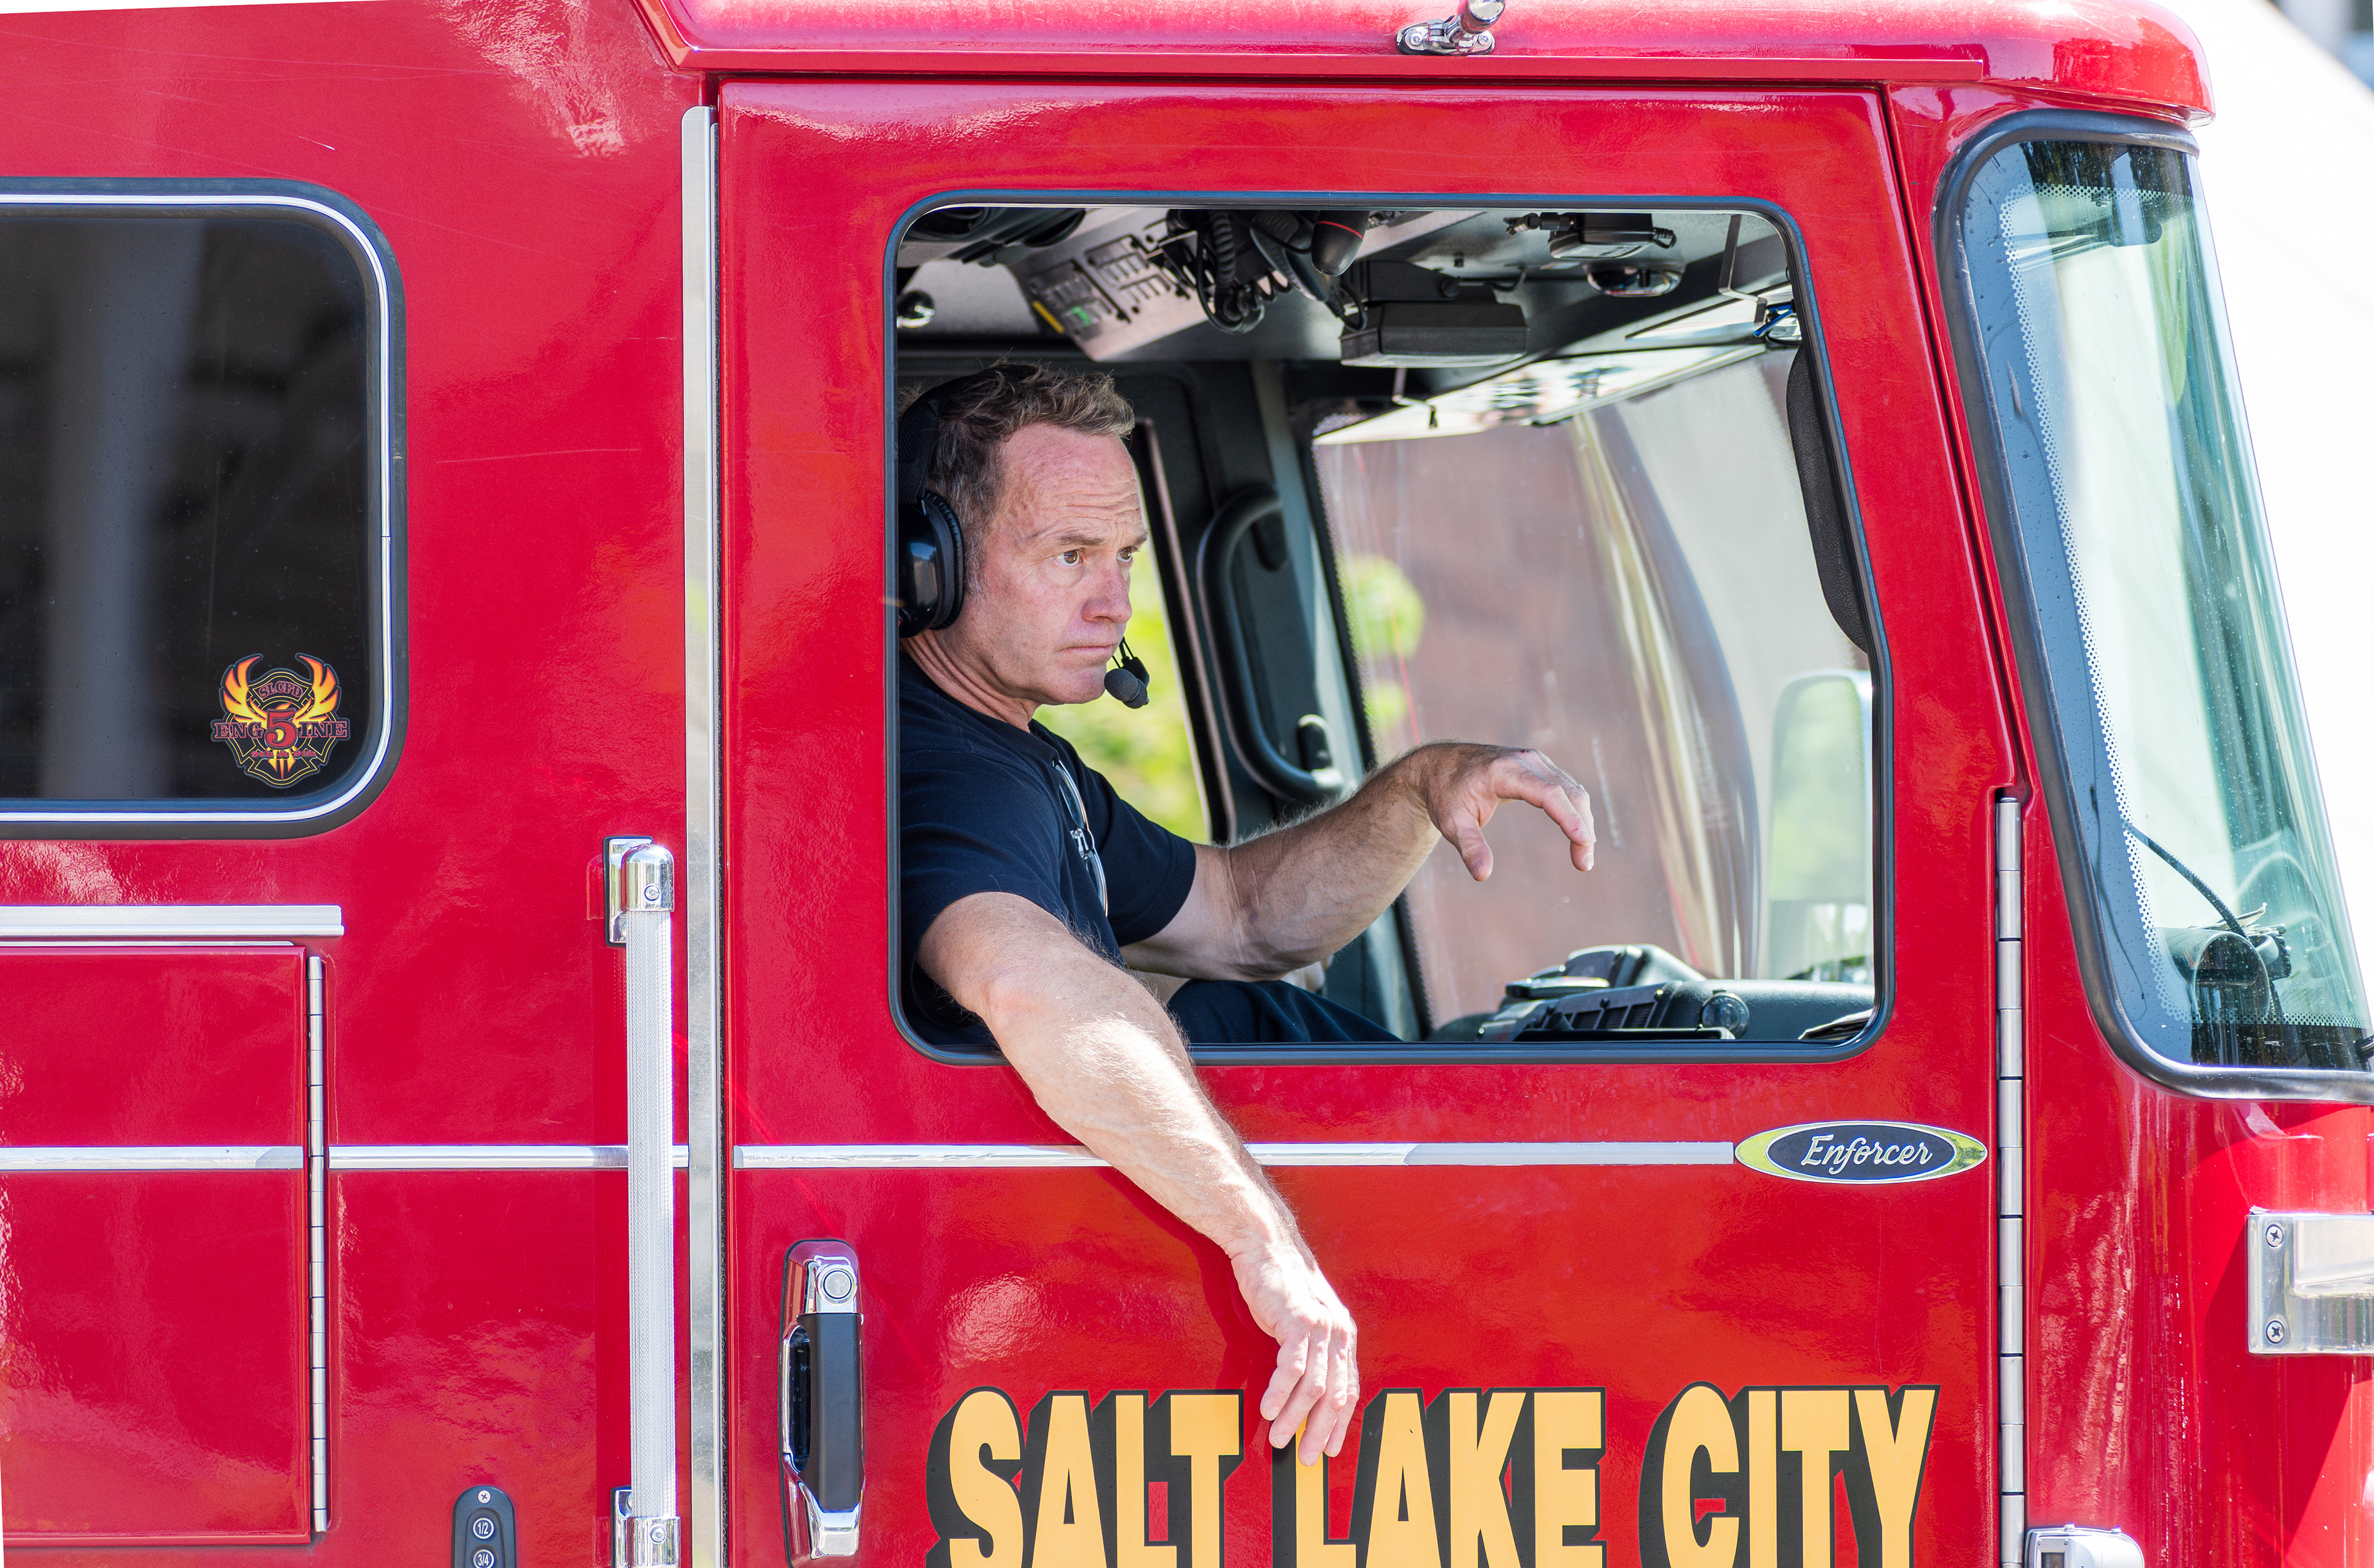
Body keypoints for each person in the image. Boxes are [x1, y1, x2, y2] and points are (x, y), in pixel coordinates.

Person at [896, 365, 1596, 1469]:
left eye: (1123, 559)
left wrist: (1418, 788)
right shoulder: (943, 770)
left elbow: (1242, 915)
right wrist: (1263, 1237)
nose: (1115, 604)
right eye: (1069, 555)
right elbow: (1025, 975)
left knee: (1243, 1002)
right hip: (1009, 1313)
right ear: (927, 565)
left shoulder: (1029, 759)